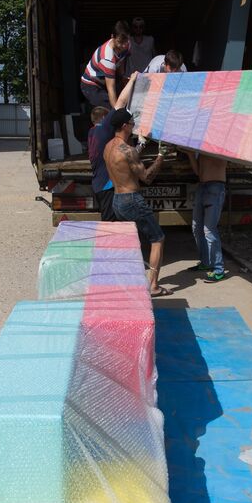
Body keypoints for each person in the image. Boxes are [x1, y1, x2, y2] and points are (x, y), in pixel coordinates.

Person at [104, 109, 168, 297]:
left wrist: (140, 146)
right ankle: (153, 286)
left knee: (133, 242)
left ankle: (131, 281)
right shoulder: (129, 150)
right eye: (132, 123)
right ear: (124, 126)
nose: (134, 126)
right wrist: (161, 156)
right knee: (157, 239)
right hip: (131, 199)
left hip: (116, 199)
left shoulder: (108, 147)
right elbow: (147, 177)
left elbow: (125, 161)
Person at [88, 75, 139, 222]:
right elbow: (121, 102)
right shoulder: (104, 129)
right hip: (105, 186)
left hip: (99, 184)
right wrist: (132, 80)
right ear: (105, 119)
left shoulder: (92, 132)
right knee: (111, 226)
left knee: (113, 223)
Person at [185, 150, 228, 282]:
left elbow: (220, 161)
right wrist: (190, 154)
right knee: (196, 227)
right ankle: (205, 262)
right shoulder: (201, 148)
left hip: (216, 186)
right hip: (202, 186)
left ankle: (219, 269)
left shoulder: (220, 145)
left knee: (209, 229)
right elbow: (198, 172)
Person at [80, 21, 130, 110]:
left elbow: (121, 65)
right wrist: (117, 113)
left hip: (107, 79)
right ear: (112, 37)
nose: (123, 45)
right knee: (110, 110)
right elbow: (111, 89)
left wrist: (123, 79)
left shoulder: (128, 45)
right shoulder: (107, 58)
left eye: (125, 41)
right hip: (92, 85)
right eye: (120, 42)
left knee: (125, 100)